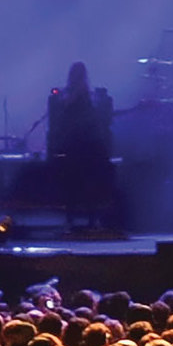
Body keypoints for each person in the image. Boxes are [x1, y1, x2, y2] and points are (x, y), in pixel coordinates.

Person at [45, 62, 117, 226]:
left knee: (72, 183)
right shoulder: (85, 96)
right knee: (88, 182)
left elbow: (61, 121)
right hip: (86, 146)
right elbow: (94, 120)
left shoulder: (66, 97)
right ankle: (91, 219)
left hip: (72, 146)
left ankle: (72, 218)